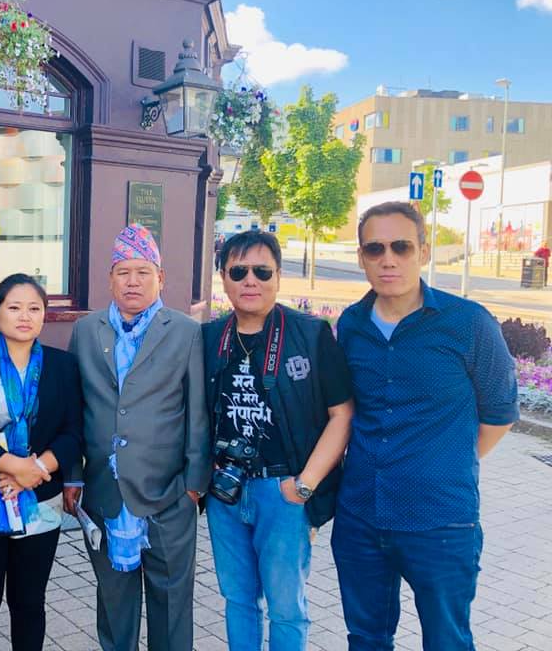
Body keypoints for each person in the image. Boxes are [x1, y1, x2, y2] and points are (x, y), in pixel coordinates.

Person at [333, 202, 518, 650]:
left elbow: (499, 414)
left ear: (424, 251)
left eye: (401, 247)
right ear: (361, 257)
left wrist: (444, 462)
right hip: (361, 516)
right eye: (375, 249)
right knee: (366, 640)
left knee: (446, 641)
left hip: (440, 522)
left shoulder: (468, 323)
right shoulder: (352, 324)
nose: (388, 259)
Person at [202, 231, 354, 651]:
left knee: (286, 607)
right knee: (237, 600)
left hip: (283, 491)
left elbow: (342, 415)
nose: (250, 280)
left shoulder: (310, 334)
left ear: (278, 276)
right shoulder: (210, 338)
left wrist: (304, 485)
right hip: (225, 492)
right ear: (223, 277)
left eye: (262, 271)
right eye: (238, 272)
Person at [64, 223, 210, 651]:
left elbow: (197, 413)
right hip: (105, 494)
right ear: (109, 278)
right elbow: (73, 409)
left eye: (143, 272)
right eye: (123, 272)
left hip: (169, 495)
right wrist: (72, 475)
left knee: (171, 607)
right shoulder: (86, 330)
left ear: (160, 278)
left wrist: (193, 487)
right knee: (114, 607)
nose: (133, 281)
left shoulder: (185, 332)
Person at [0, 273, 83, 651]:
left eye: (34, 308)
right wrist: (12, 466)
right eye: (14, 307)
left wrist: (36, 471)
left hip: (40, 501)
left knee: (29, 603)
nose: (24, 316)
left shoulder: (63, 366)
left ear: (44, 315)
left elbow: (74, 433)